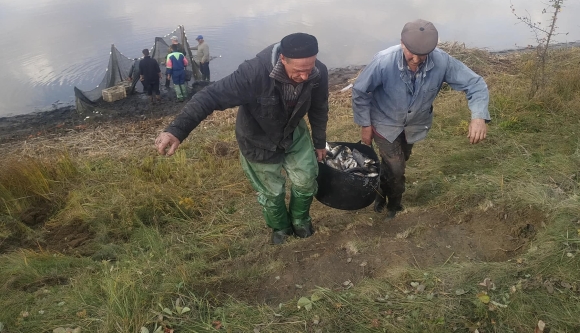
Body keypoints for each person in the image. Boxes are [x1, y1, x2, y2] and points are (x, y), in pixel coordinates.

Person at [155, 33, 329, 245]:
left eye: (309, 69)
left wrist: (320, 141)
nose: (305, 77)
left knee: (306, 179)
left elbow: (319, 107)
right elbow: (210, 96)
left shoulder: (318, 73)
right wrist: (176, 130)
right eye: (299, 71)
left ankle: (300, 221)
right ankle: (281, 228)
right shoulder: (253, 72)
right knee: (272, 193)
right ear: (283, 59)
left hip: (293, 131)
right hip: (257, 138)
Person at [352, 19, 490, 219]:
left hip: (414, 126)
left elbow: (475, 84)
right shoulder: (383, 61)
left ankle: (381, 194)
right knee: (397, 167)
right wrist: (365, 125)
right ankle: (395, 206)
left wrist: (478, 117)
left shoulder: (443, 61)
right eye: (411, 53)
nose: (416, 60)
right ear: (402, 43)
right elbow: (360, 91)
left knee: (397, 163)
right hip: (384, 123)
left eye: (422, 55)